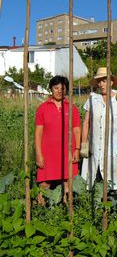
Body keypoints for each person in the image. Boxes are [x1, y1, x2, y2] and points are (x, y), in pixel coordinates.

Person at [80, 67, 117, 193]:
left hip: (114, 148)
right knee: (92, 180)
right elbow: (86, 122)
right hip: (95, 147)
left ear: (111, 82)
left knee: (114, 183)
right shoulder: (93, 99)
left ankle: (112, 207)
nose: (102, 84)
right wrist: (84, 144)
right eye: (100, 81)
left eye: (104, 80)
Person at [35, 76, 81, 205]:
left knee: (68, 181)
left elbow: (77, 130)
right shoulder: (42, 108)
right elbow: (38, 133)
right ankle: (42, 211)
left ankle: (66, 211)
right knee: (44, 183)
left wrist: (77, 149)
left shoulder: (72, 108)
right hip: (48, 152)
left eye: (62, 88)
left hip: (68, 151)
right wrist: (38, 153)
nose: (59, 91)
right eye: (56, 88)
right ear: (51, 89)